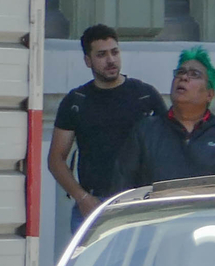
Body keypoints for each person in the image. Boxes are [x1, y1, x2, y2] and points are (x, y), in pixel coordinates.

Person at [47, 24, 164, 238]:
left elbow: (167, 150)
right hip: (94, 206)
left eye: (115, 52)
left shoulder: (145, 96)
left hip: (139, 204)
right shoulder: (76, 102)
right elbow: (56, 159)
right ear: (87, 61)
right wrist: (82, 198)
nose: (111, 60)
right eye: (101, 54)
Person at [112, 47, 215, 191]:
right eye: (180, 72)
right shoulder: (146, 131)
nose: (183, 77)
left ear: (209, 94)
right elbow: (122, 187)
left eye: (194, 74)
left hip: (208, 213)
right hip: (158, 213)